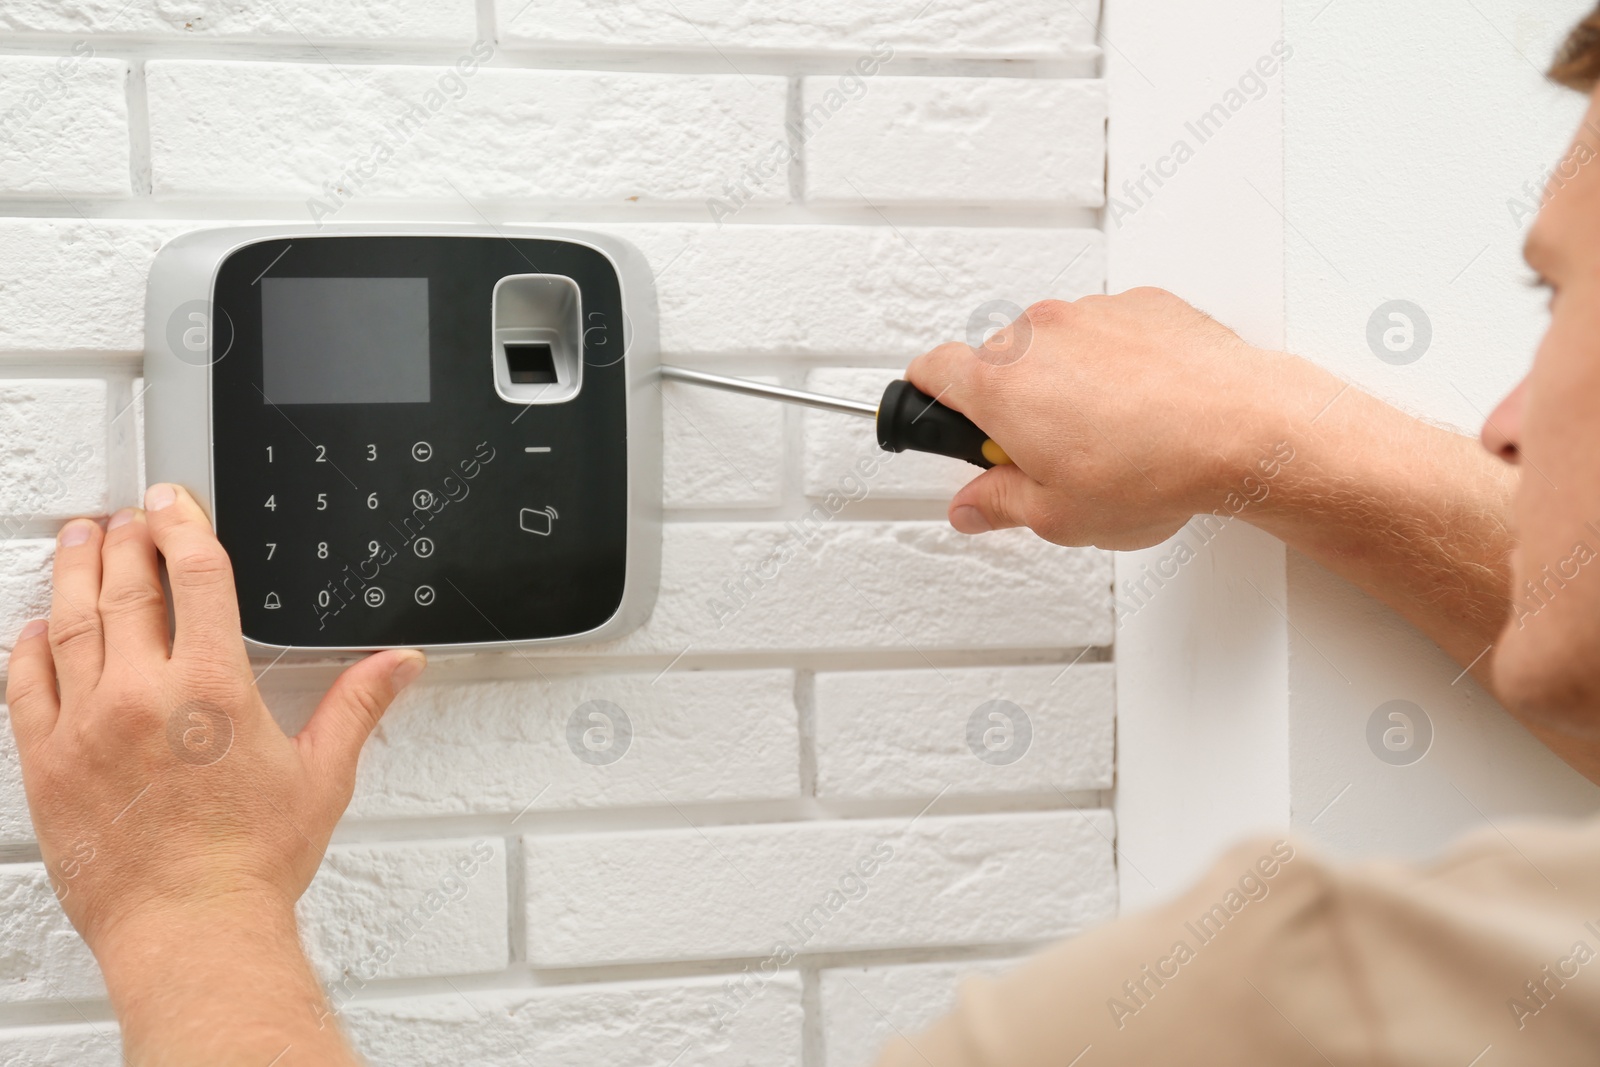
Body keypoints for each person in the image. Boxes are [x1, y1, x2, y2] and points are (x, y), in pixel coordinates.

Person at [11, 9, 1600, 1065]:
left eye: (1566, 297)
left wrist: (187, 905)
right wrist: (1271, 439)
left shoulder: (1309, 997)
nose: (1502, 420)